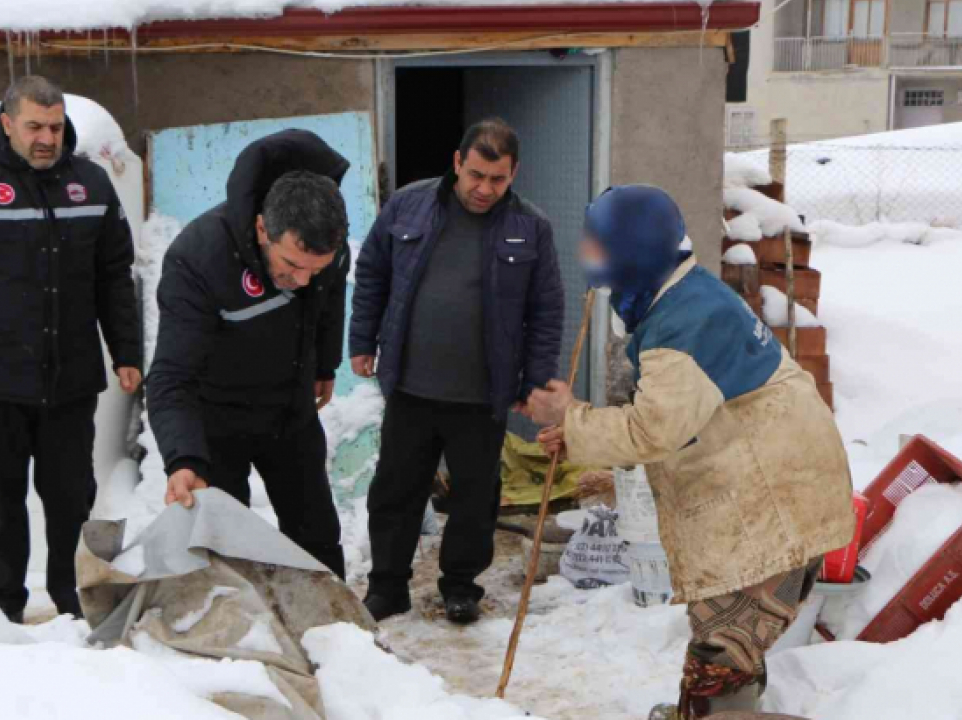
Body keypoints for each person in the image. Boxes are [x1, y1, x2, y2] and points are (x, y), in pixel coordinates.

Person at [524, 185, 855, 718]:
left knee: (721, 657)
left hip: (768, 504)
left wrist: (570, 417)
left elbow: (655, 430)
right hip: (774, 488)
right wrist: (584, 431)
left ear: (631, 249)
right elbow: (677, 415)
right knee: (728, 648)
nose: (586, 254)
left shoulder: (683, 322)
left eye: (597, 243)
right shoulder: (685, 296)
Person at [0, 76, 142, 623]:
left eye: (56, 127)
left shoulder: (90, 184)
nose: (47, 138)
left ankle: (69, 602)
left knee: (70, 498)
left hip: (71, 377)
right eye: (36, 126)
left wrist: (126, 351)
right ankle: (5, 605)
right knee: (0, 499)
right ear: (7, 124)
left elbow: (114, 275)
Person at [350, 118, 565, 624]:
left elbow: (546, 310)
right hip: (410, 385)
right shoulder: (408, 205)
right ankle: (387, 587)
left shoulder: (531, 228)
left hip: (481, 395)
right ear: (456, 163)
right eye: (475, 175)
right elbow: (373, 273)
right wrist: (361, 340)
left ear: (514, 175)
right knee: (396, 489)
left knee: (475, 496)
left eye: (498, 180)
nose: (484, 189)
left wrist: (534, 383)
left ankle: (461, 586)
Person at [147, 130, 350, 578]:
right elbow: (170, 376)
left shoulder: (327, 253)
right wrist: (183, 459)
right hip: (218, 417)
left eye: (314, 269)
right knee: (227, 547)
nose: (301, 279)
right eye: (291, 266)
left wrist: (324, 364)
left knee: (314, 533)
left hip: (289, 411)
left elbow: (329, 301)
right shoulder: (198, 258)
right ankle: (242, 638)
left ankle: (334, 630)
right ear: (262, 228)